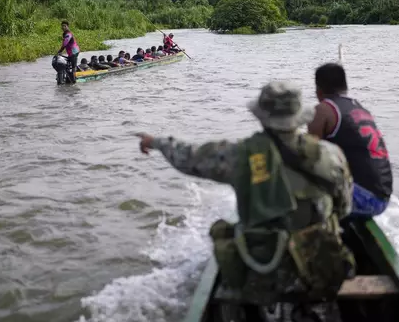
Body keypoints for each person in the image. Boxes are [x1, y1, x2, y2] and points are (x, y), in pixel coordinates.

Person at [136, 81, 355, 308]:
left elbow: (189, 158)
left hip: (262, 270)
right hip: (318, 268)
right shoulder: (331, 155)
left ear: (260, 116)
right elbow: (344, 209)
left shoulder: (240, 156)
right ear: (300, 116)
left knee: (225, 236)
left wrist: (156, 142)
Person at [307, 63, 393, 219]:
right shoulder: (358, 108)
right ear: (344, 86)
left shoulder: (322, 111)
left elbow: (307, 161)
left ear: (318, 90)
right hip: (383, 197)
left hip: (365, 199)